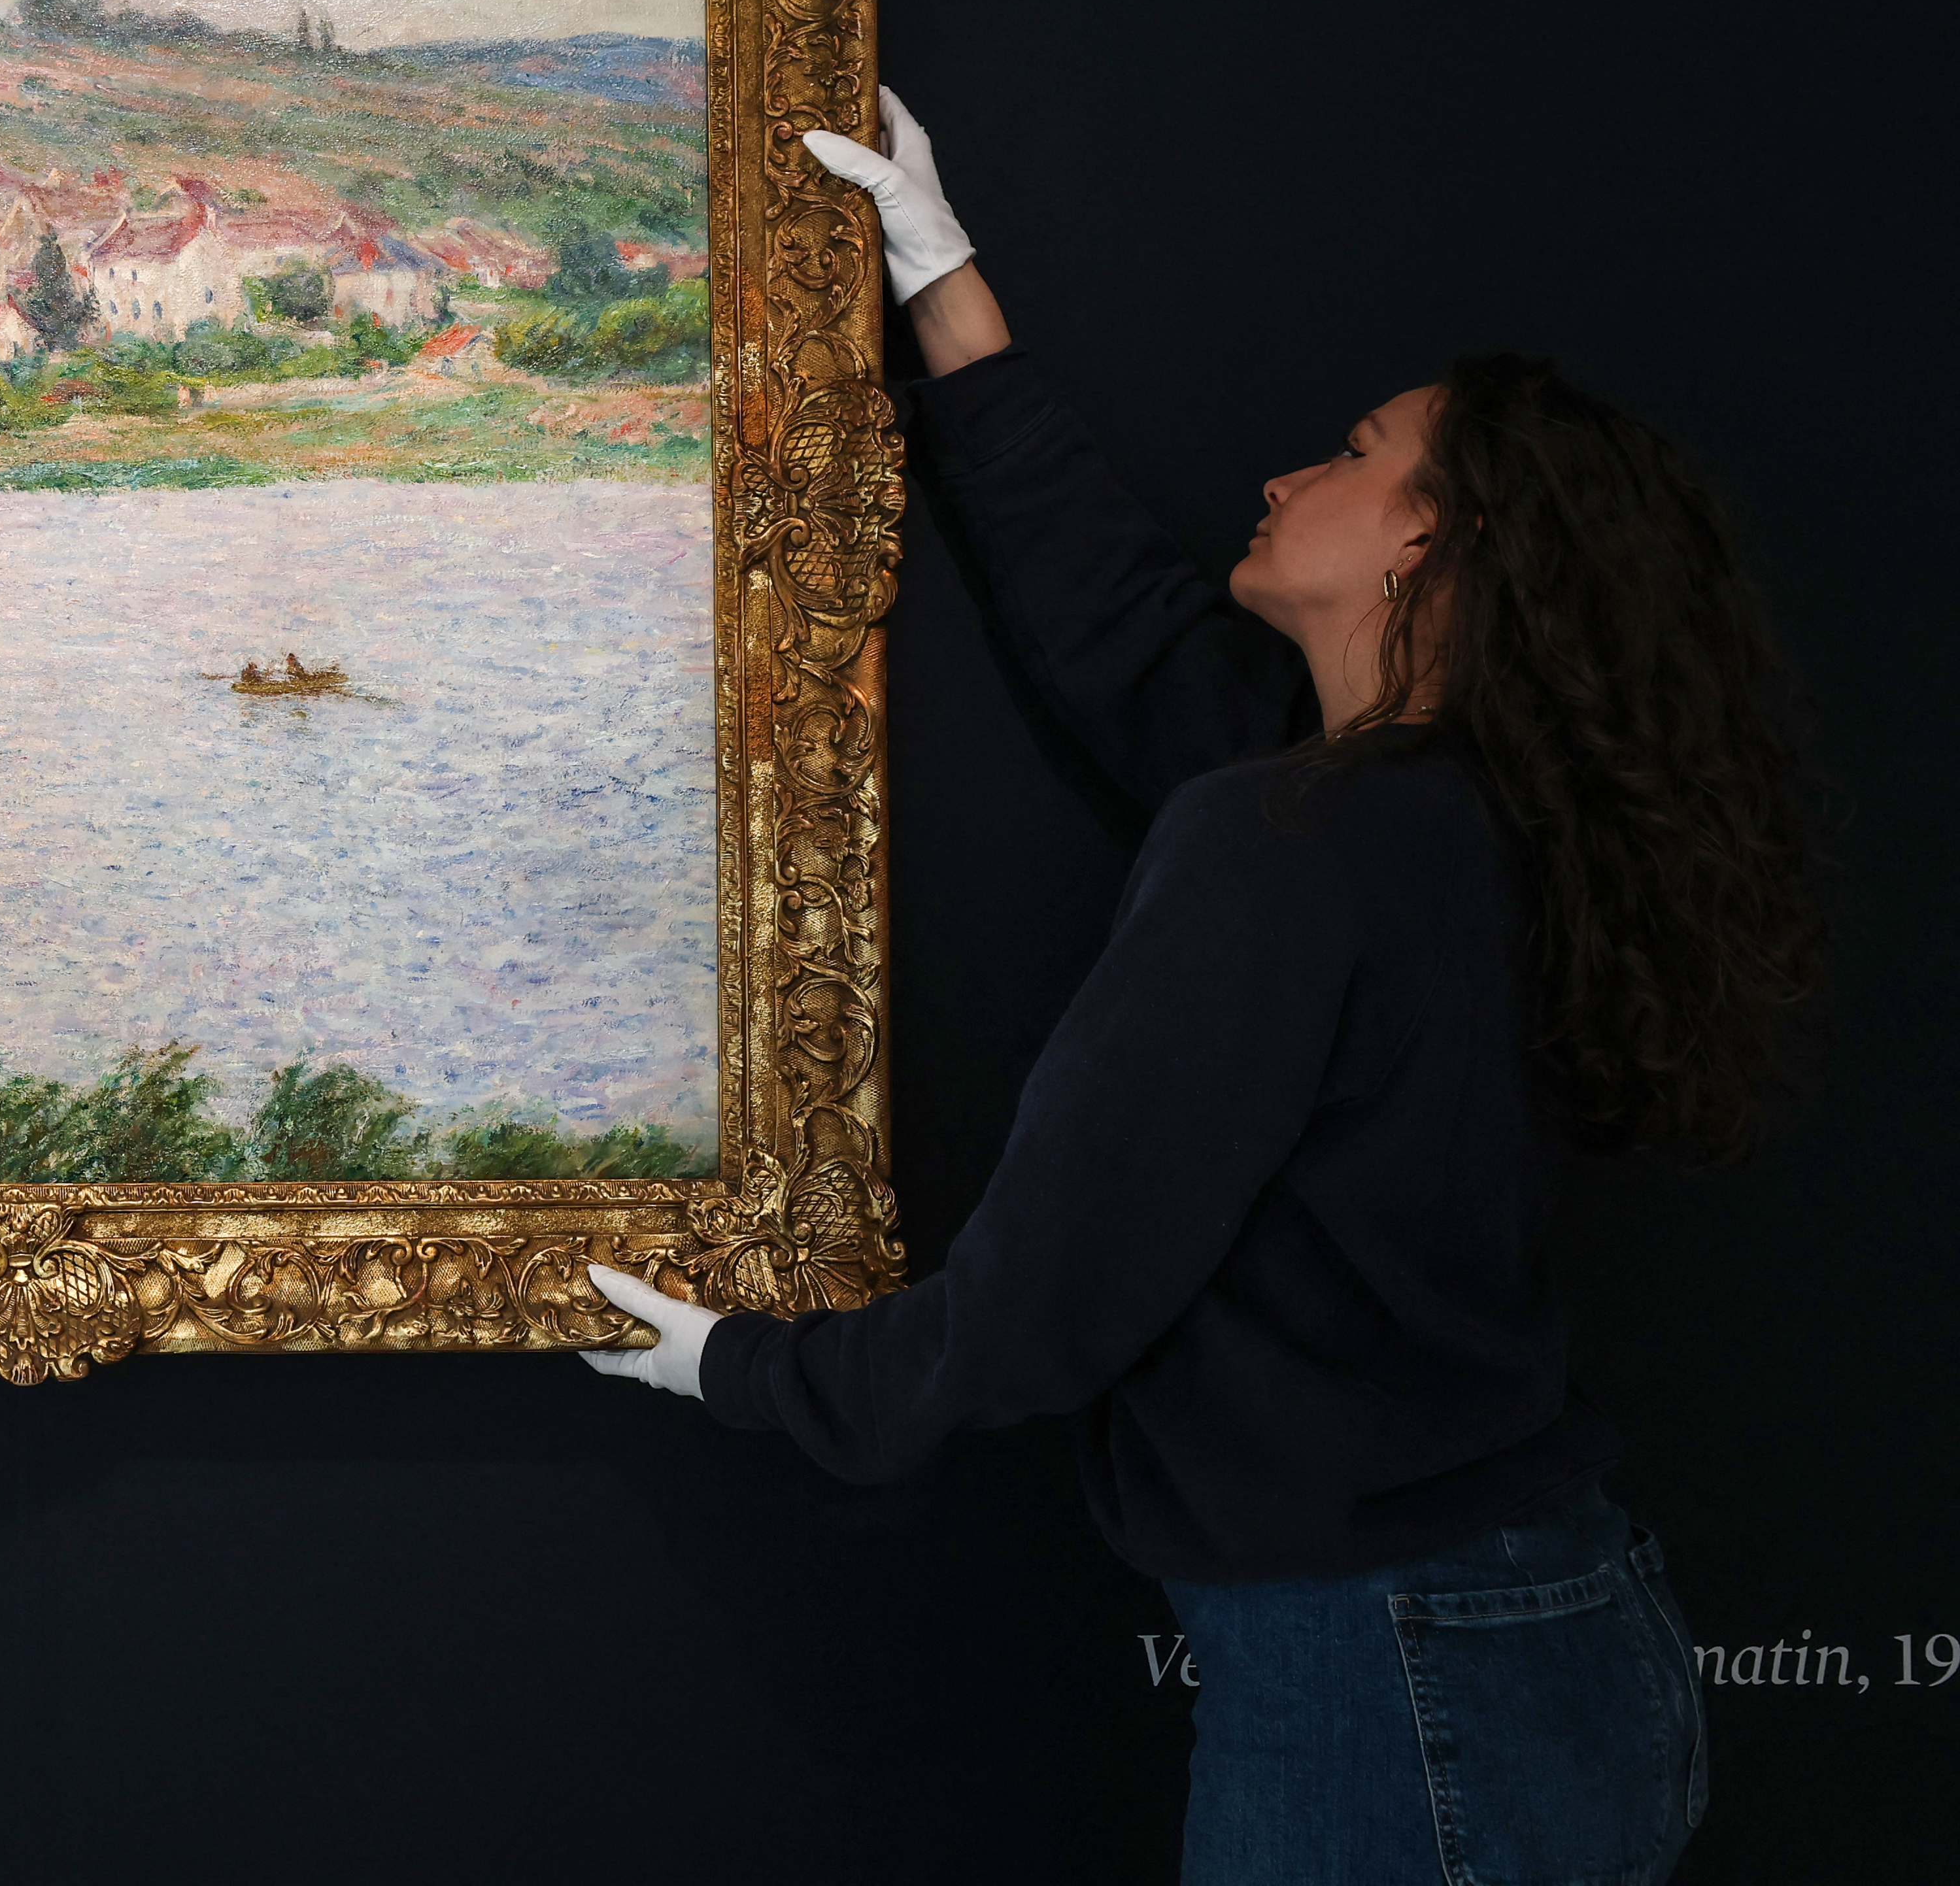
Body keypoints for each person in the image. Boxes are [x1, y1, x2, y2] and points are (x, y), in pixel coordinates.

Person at [581, 92, 1819, 1885]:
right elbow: (1133, 644)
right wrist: (944, 282)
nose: (1285, 475)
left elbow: (1043, 1307)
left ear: (1428, 544)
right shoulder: (1454, 818)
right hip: (1559, 1629)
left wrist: (750, 1372)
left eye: (1352, 452)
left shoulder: (1293, 847)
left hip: (1389, 1685)